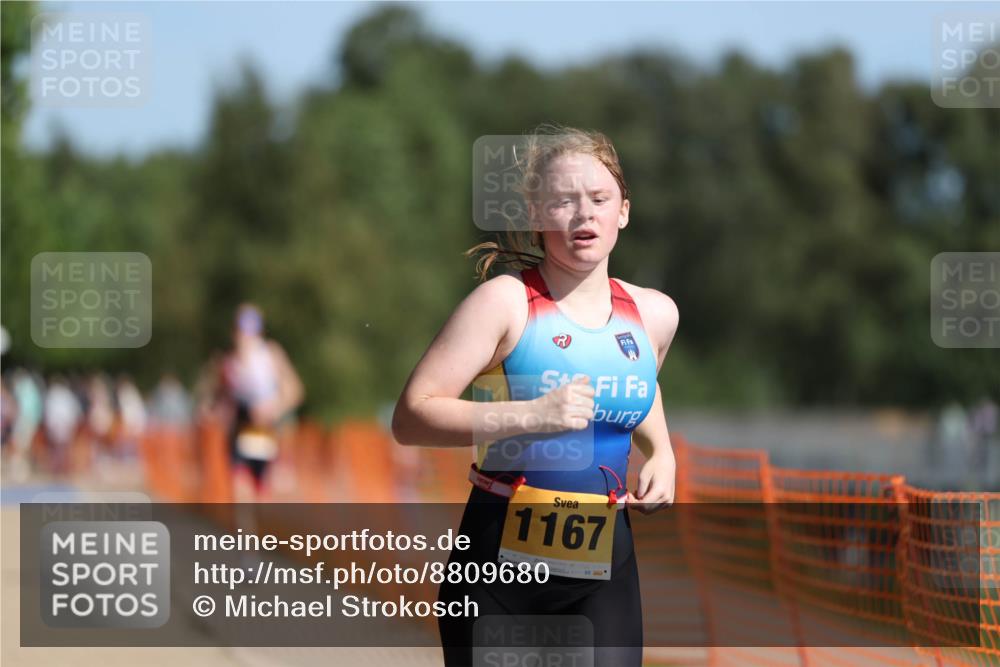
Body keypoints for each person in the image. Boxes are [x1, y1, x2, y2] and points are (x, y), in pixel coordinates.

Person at [392, 126, 679, 667]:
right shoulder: (505, 303)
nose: (583, 215)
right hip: (498, 568)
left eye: (599, 200)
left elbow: (640, 385)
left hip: (605, 567)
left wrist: (662, 452)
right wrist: (530, 413)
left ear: (624, 211)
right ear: (537, 214)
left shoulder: (654, 316)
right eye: (563, 202)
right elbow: (411, 417)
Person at [213, 303, 304, 500]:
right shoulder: (228, 362)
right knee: (240, 487)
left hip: (265, 429)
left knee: (262, 488)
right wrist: (217, 411)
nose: (244, 336)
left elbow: (295, 391)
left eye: (248, 331)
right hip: (239, 428)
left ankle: (260, 527)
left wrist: (273, 407)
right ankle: (244, 530)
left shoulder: (271, 354)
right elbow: (220, 397)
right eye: (240, 330)